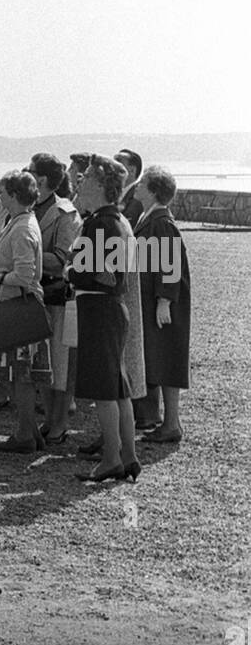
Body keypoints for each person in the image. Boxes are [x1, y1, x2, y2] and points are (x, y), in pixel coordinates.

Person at [68, 155, 140, 482]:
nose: (79, 183)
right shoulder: (119, 220)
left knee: (104, 389)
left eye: (85, 179)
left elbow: (95, 274)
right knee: (118, 386)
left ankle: (111, 457)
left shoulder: (99, 223)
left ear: (99, 184)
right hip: (113, 309)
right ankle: (128, 454)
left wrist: (71, 271)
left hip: (98, 308)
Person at [0, 170, 50, 451]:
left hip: (19, 307)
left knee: (23, 375)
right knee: (17, 375)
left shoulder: (22, 229)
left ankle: (25, 434)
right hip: (9, 305)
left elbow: (25, 275)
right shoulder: (13, 222)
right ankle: (28, 431)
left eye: (4, 192)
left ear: (15, 195)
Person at [132, 165, 191, 444]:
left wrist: (164, 302)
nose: (136, 186)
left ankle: (171, 424)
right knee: (162, 358)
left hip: (161, 304)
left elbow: (169, 265)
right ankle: (168, 423)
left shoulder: (161, 223)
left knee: (167, 358)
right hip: (153, 300)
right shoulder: (151, 218)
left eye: (142, 183)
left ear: (153, 190)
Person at [27, 153, 81, 444]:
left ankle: (58, 423)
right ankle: (49, 420)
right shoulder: (31, 207)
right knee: (43, 364)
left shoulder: (66, 214)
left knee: (60, 366)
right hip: (38, 296)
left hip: (59, 297)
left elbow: (63, 259)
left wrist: (24, 256)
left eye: (31, 171)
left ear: (43, 179)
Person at [115, 148, 144, 229]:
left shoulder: (138, 197)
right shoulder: (113, 195)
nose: (112, 167)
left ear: (132, 170)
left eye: (118, 163)